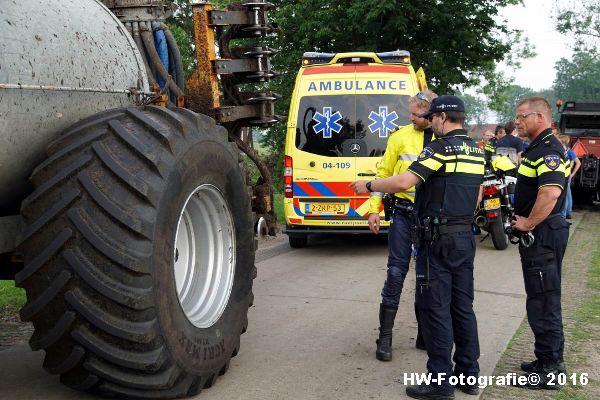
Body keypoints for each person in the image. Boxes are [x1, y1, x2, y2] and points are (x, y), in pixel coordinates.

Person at [351, 95, 485, 400]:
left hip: (437, 240)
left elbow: (403, 182)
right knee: (463, 308)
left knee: (435, 308)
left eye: (433, 117)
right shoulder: (476, 152)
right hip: (464, 237)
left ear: (442, 118)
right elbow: (477, 194)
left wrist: (369, 187)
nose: (430, 122)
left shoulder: (440, 148)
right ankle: (468, 375)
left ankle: (440, 383)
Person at [368, 90, 438, 361]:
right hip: (404, 214)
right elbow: (383, 173)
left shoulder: (443, 139)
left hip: (430, 218)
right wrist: (374, 209)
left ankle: (425, 334)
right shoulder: (400, 136)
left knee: (428, 277)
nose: (410, 118)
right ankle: (384, 338)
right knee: (396, 273)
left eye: (415, 114)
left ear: (430, 114)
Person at [511, 97, 570, 390]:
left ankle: (551, 370)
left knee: (545, 300)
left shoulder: (548, 150)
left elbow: (549, 194)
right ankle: (544, 357)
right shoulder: (535, 148)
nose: (517, 122)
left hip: (544, 233)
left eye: (522, 117)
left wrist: (527, 223)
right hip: (541, 234)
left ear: (539, 117)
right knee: (538, 297)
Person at [559, 134, 581, 219]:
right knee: (568, 195)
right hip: (566, 175)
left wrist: (572, 175)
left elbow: (578, 163)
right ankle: (568, 212)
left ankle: (563, 214)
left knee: (565, 196)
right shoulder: (568, 151)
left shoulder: (568, 152)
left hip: (565, 175)